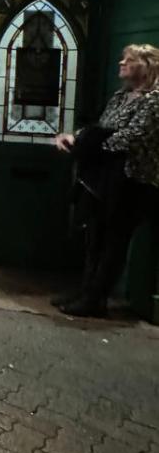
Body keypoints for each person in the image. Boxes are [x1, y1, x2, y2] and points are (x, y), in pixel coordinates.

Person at [53, 43, 159, 318]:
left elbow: (132, 137)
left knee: (114, 240)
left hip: (133, 181)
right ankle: (86, 291)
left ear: (145, 67)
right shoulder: (120, 96)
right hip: (104, 179)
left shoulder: (154, 100)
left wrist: (86, 145)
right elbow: (100, 127)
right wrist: (77, 137)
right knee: (95, 236)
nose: (121, 63)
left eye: (129, 60)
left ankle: (95, 298)